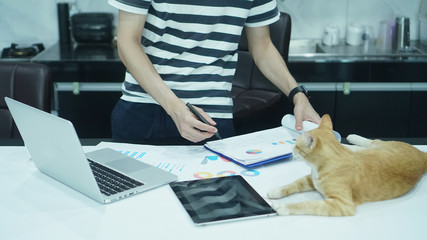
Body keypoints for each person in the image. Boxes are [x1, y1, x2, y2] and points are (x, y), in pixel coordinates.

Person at [108, 0, 320, 144]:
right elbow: (127, 42)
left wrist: (297, 94)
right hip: (145, 110)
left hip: (210, 117)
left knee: (214, 206)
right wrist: (175, 108)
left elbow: (262, 47)